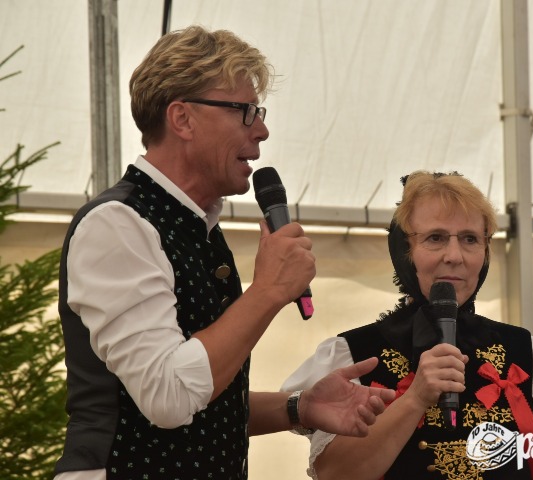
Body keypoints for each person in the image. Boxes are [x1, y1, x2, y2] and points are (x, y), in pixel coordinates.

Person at [54, 25, 394, 480]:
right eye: (245, 111)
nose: (262, 131)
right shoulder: (117, 224)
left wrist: (298, 407)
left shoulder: (198, 229)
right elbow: (169, 398)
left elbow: (199, 400)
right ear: (183, 119)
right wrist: (268, 291)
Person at [282, 171, 533, 480]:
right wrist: (415, 399)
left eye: (470, 239)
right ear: (404, 251)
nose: (455, 255)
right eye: (435, 238)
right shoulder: (355, 355)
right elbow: (334, 474)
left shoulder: (526, 353)